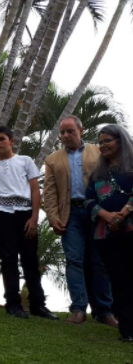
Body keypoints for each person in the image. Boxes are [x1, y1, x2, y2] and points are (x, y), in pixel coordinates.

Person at [43, 116, 115, 326]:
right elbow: (49, 192)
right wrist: (53, 217)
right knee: (73, 260)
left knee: (100, 261)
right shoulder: (52, 159)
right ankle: (78, 310)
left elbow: (110, 179)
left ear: (80, 131)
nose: (66, 135)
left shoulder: (98, 151)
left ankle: (105, 311)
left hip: (98, 213)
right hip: (70, 215)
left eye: (70, 131)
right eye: (63, 132)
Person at [0, 126, 57, 320]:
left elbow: (34, 190)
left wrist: (34, 218)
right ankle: (13, 304)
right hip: (1, 215)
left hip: (24, 214)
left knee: (30, 260)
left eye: (1, 139)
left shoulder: (25, 161)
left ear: (11, 141)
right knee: (8, 260)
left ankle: (38, 305)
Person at [85, 124, 133, 342]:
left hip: (130, 227)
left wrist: (123, 213)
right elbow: (87, 200)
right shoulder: (98, 173)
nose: (102, 145)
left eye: (107, 141)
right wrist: (105, 215)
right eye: (100, 141)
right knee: (118, 280)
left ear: (120, 141)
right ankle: (126, 329)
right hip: (107, 235)